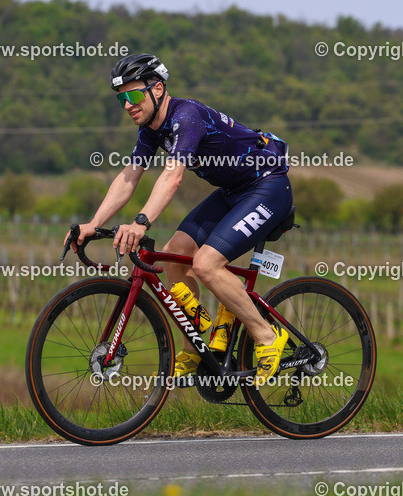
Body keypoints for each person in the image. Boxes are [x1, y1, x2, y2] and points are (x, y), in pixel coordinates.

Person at [71, 53, 293, 381]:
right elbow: (129, 177)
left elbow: (173, 177)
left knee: (205, 265)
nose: (128, 105)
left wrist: (141, 221)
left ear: (157, 89)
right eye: (122, 100)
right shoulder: (151, 130)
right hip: (233, 193)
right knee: (176, 256)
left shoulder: (186, 115)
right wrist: (93, 223)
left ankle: (267, 336)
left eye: (133, 96)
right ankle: (197, 345)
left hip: (267, 187)